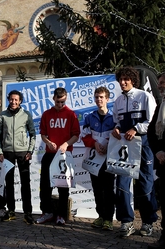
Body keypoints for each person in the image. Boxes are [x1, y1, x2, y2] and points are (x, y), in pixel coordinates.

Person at [112, 67, 158, 237]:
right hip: (125, 147)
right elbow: (116, 121)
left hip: (144, 144)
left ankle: (148, 222)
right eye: (120, 79)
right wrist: (116, 129)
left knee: (145, 182)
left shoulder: (144, 96)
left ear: (133, 80)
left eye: (126, 79)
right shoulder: (118, 101)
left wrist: (136, 128)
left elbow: (152, 122)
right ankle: (126, 221)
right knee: (122, 183)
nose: (123, 82)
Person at [37, 87, 80, 226]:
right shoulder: (46, 114)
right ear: (53, 99)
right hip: (49, 155)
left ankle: (61, 215)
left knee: (63, 186)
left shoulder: (71, 114)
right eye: (58, 102)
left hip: (64, 156)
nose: (60, 105)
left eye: (63, 102)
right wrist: (48, 142)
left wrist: (66, 144)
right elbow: (43, 134)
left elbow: (76, 135)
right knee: (45, 185)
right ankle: (47, 212)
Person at [0, 89, 36, 224]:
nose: (13, 102)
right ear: (9, 100)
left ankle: (28, 212)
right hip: (7, 152)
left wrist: (30, 151)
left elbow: (33, 134)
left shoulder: (26, 115)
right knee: (9, 183)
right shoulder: (3, 115)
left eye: (16, 100)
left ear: (20, 101)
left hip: (23, 152)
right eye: (11, 99)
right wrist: (0, 152)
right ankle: (11, 210)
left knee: (25, 183)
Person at [81, 86, 115, 231]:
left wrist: (108, 145)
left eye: (101, 97)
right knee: (97, 189)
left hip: (108, 159)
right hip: (94, 159)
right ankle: (100, 216)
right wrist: (95, 144)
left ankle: (108, 219)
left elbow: (117, 137)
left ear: (107, 99)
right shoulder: (89, 117)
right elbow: (84, 136)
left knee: (108, 189)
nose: (98, 100)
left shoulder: (114, 117)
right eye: (96, 97)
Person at [147, 72, 165, 249]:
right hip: (162, 163)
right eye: (159, 83)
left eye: (162, 83)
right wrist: (158, 151)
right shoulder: (160, 105)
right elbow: (152, 132)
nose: (159, 86)